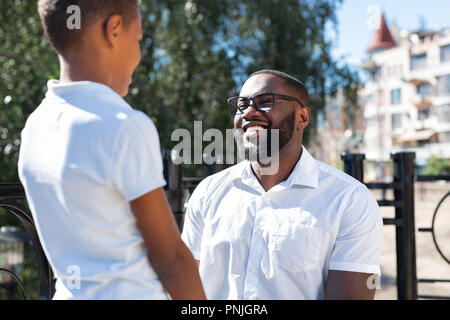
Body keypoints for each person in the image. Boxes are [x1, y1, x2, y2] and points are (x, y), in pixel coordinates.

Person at [18, 0, 206, 300]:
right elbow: (171, 261)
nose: (139, 53)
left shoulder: (34, 127)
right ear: (114, 30)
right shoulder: (123, 125)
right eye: (139, 39)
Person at [181, 69, 383, 300]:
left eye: (265, 102)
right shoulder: (208, 192)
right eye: (241, 105)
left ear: (302, 117)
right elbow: (186, 286)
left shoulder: (349, 200)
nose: (248, 112)